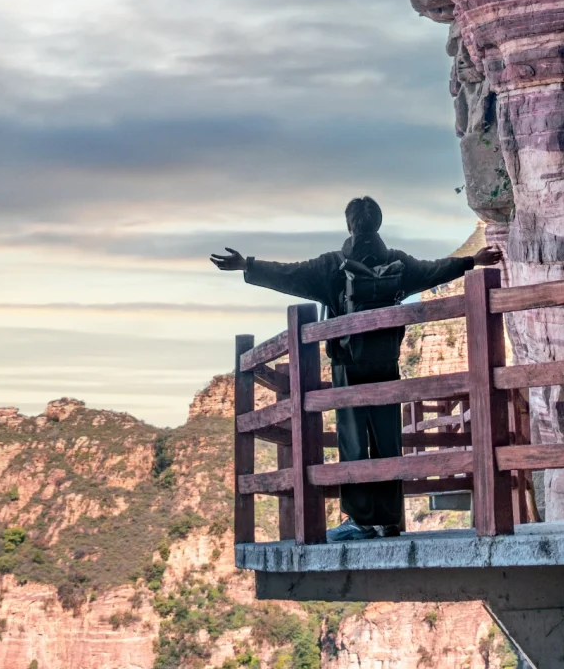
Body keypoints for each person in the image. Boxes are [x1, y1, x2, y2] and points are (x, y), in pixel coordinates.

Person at [211, 195, 501, 540]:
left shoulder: (331, 265)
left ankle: (361, 520)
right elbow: (433, 269)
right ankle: (389, 520)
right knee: (387, 440)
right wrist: (472, 261)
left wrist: (248, 265)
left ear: (350, 225)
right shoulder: (398, 263)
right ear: (378, 224)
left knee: (353, 440)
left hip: (347, 366)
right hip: (386, 364)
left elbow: (288, 274)